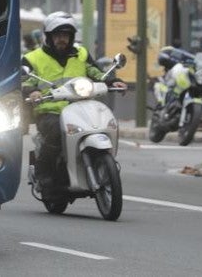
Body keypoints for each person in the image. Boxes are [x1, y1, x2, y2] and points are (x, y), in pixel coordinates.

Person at [22, 11, 125, 199]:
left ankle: (103, 165)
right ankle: (44, 174)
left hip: (80, 108)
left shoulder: (81, 54)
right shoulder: (33, 58)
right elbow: (25, 81)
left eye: (66, 35)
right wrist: (32, 91)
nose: (62, 39)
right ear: (49, 36)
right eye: (58, 35)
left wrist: (113, 81)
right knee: (55, 133)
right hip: (50, 110)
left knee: (101, 125)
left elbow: (96, 72)